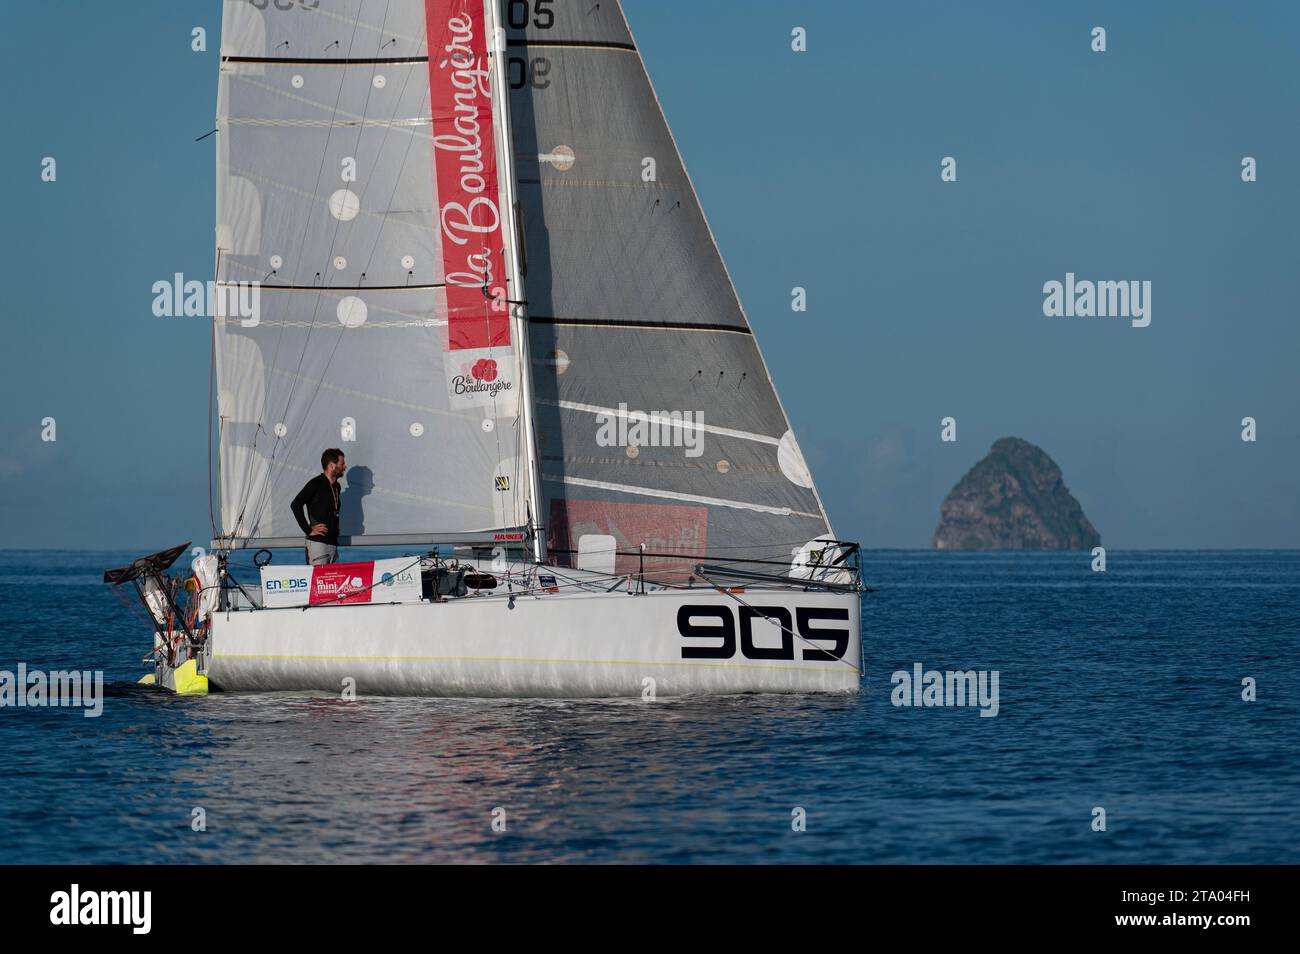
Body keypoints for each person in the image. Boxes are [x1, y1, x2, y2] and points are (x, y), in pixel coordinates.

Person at [291, 449, 346, 565]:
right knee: (316, 582)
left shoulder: (337, 486)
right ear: (332, 465)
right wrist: (308, 530)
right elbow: (295, 504)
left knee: (330, 582)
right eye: (342, 464)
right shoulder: (316, 483)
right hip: (318, 545)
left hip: (333, 544)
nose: (345, 467)